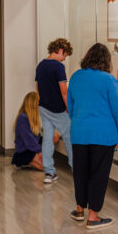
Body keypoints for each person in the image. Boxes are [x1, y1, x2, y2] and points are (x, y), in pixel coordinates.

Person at [67, 42, 118, 230]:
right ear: (106, 61)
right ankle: (93, 217)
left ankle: (79, 210)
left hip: (79, 132)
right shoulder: (108, 80)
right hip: (103, 134)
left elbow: (71, 106)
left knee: (80, 172)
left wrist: (79, 121)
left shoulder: (75, 77)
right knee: (98, 174)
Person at [37, 38, 74, 185]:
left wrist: (43, 102)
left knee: (47, 138)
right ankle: (76, 168)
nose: (64, 59)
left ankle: (49, 172)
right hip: (58, 109)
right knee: (70, 137)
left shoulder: (40, 65)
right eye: (65, 55)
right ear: (60, 51)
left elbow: (38, 88)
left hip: (44, 107)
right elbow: (64, 91)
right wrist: (69, 108)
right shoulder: (58, 67)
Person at [12, 91, 45, 171]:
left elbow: (36, 137)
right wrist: (40, 152)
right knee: (45, 167)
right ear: (33, 105)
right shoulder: (23, 118)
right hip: (25, 152)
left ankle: (35, 159)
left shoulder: (32, 118)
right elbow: (29, 141)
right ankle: (27, 161)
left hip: (32, 148)